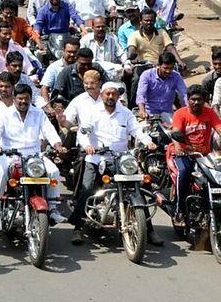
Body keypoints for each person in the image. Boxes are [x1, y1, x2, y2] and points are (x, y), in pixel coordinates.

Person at [69, 82, 162, 246]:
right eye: (107, 94)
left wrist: (148, 142)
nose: (110, 97)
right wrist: (87, 146)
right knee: (86, 189)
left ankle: (149, 230)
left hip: (121, 160)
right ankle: (78, 228)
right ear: (102, 95)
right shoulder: (92, 112)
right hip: (96, 158)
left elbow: (136, 130)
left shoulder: (125, 113)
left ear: (118, 96)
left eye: (113, 94)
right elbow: (84, 132)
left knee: (138, 188)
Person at [0, 84, 67, 230]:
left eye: (26, 99)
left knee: (54, 171)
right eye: (20, 99)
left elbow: (49, 131)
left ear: (30, 99)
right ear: (14, 98)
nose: (23, 102)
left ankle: (53, 208)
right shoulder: (4, 114)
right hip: (10, 155)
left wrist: (58, 145)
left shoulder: (38, 113)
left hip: (34, 156)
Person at [167, 85, 221, 228]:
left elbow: (220, 129)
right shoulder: (180, 114)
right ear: (188, 100)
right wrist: (179, 149)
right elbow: (175, 133)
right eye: (193, 99)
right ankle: (179, 211)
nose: (196, 102)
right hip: (183, 153)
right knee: (184, 173)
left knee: (219, 174)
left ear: (204, 100)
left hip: (204, 155)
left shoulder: (210, 113)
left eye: (199, 100)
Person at [135, 52, 187, 121]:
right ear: (158, 65)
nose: (168, 71)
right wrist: (142, 111)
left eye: (171, 68)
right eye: (165, 68)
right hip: (149, 114)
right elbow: (141, 95)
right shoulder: (147, 75)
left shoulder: (176, 76)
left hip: (167, 114)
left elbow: (185, 93)